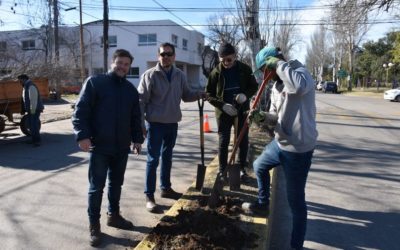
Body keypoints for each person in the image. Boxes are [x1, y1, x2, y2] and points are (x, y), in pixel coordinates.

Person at [245, 46, 318, 250]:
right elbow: (274, 116)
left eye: (263, 69)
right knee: (259, 164)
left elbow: (299, 87)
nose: (263, 76)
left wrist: (278, 64)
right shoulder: (276, 85)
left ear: (272, 63)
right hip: (281, 143)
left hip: (298, 149)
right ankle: (262, 204)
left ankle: (296, 246)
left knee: (296, 203)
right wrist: (262, 118)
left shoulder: (300, 72)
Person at [72, 49, 144, 247]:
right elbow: (81, 111)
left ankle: (114, 215)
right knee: (96, 188)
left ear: (129, 67)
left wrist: (137, 139)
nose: (122, 67)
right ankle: (94, 226)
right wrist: (83, 136)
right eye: (119, 63)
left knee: (116, 184)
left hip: (121, 148)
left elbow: (135, 117)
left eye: (126, 64)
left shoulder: (130, 90)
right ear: (112, 63)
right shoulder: (95, 83)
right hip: (100, 146)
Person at [138, 42, 206, 213]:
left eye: (169, 54)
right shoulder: (150, 75)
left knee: (167, 157)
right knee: (153, 160)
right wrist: (140, 125)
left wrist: (199, 94)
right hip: (155, 125)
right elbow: (141, 102)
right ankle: (149, 195)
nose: (166, 57)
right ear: (158, 56)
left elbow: (186, 95)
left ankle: (166, 188)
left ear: (174, 56)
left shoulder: (179, 75)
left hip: (172, 124)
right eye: (163, 54)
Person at [205, 42, 258, 181]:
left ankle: (241, 169)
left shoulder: (244, 69)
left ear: (235, 56)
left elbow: (254, 86)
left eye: (229, 59)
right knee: (223, 141)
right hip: (224, 114)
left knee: (242, 140)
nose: (226, 63)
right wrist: (222, 105)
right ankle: (223, 171)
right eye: (223, 60)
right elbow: (208, 94)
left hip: (242, 111)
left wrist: (245, 95)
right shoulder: (216, 72)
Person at [18, 74, 44, 147]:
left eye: (20, 80)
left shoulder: (31, 86)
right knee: (31, 125)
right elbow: (24, 99)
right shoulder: (26, 86)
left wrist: (32, 110)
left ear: (24, 79)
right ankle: (33, 139)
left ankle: (37, 141)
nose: (19, 82)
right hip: (31, 109)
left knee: (34, 125)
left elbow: (33, 100)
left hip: (35, 109)